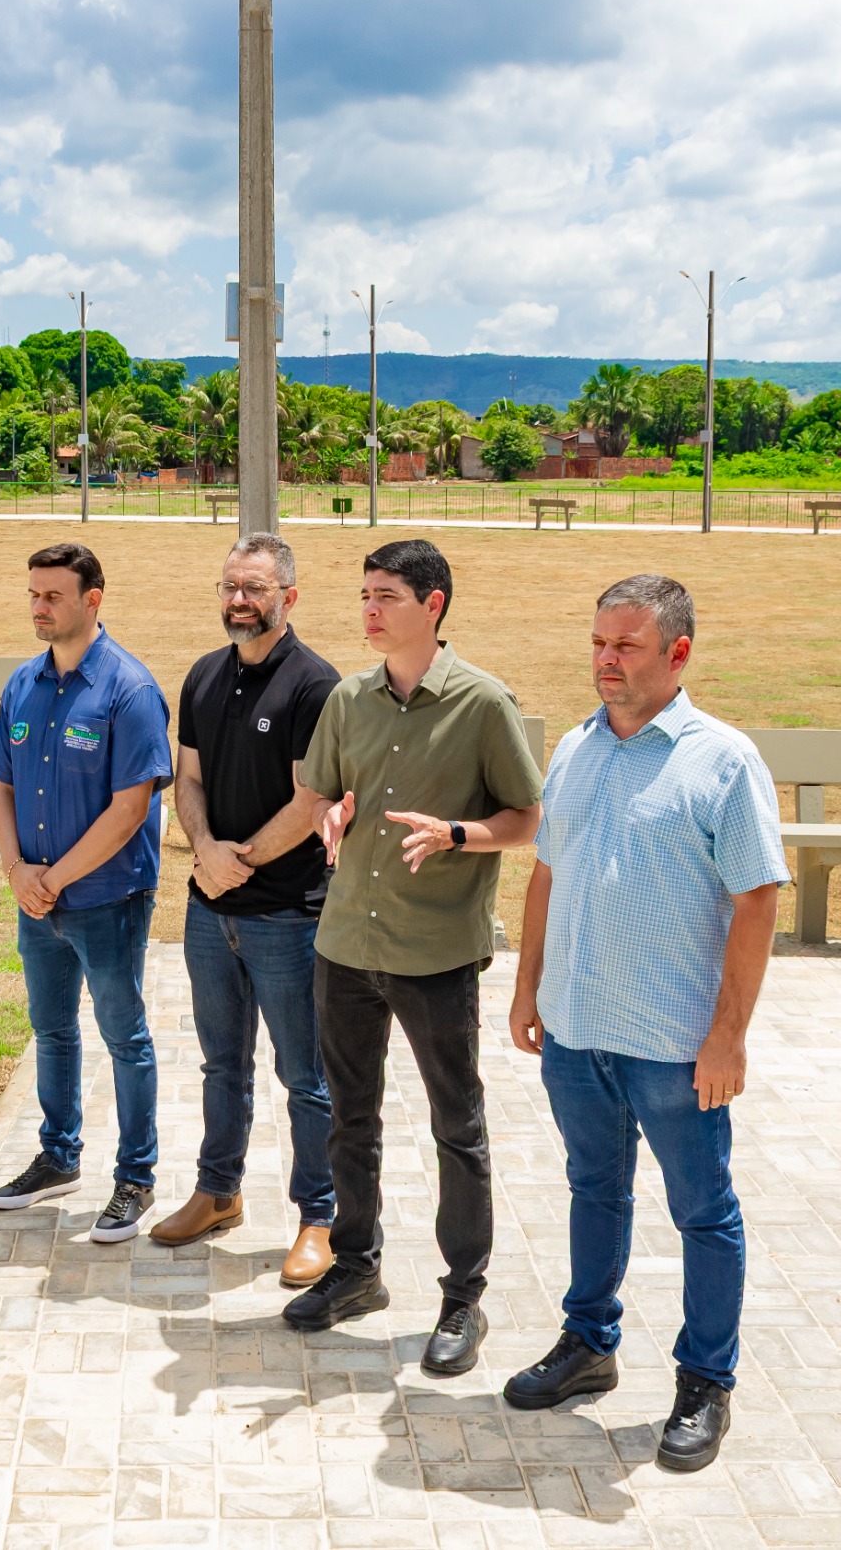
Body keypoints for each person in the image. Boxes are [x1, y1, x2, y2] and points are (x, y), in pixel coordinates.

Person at [501, 573, 787, 1475]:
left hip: (674, 1045)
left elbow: (757, 900)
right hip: (576, 1030)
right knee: (595, 1189)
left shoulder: (724, 761)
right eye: (598, 643)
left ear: (678, 653)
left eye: (625, 645)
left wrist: (728, 1037)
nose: (606, 660)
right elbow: (548, 871)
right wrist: (528, 989)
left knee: (703, 1213)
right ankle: (589, 1344)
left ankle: (705, 1383)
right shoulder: (576, 747)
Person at [283, 538, 544, 1378]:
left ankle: (463, 1298)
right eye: (364, 595)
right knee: (349, 1119)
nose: (369, 609)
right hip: (345, 945)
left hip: (434, 952)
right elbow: (317, 790)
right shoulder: (348, 698)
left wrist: (457, 834)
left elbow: (527, 818)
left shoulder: (483, 703)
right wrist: (328, 813)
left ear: (433, 605)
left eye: (386, 596)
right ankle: (356, 1270)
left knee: (455, 1128)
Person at [152, 532, 340, 1287]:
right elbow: (188, 779)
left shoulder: (314, 686)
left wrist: (241, 862)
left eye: (255, 588)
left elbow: (311, 800)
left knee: (306, 1075)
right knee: (221, 1063)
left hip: (289, 916)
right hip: (210, 912)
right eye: (230, 586)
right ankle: (218, 1191)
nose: (239, 600)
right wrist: (205, 851)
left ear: (288, 597)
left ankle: (319, 1217)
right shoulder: (203, 675)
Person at [0, 543, 173, 1243]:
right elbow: (1, 785)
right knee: (52, 1030)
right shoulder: (22, 683)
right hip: (37, 899)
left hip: (106, 900)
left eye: (53, 596)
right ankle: (58, 1157)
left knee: (125, 1037)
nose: (39, 607)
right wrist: (15, 870)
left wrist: (51, 879)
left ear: (93, 599)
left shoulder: (130, 689)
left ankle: (136, 1177)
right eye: (33, 594)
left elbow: (129, 810)